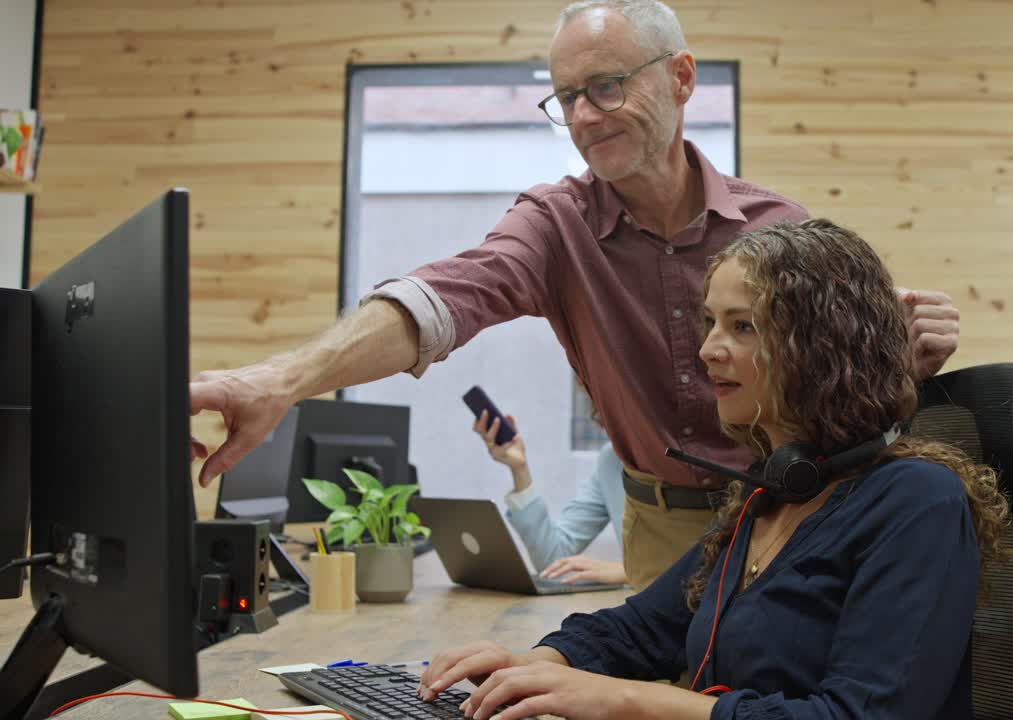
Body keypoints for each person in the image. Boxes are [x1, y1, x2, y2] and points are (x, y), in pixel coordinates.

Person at [188, 0, 961, 591]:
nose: (585, 116)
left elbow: (846, 396)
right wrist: (279, 381)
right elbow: (437, 301)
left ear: (681, 78)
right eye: (566, 98)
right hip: (657, 533)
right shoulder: (554, 225)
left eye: (607, 87)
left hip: (793, 520)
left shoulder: (781, 227)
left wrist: (906, 360)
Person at [415, 219, 1009, 720]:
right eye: (711, 322)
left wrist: (620, 699)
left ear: (821, 346)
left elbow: (859, 715)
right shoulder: (770, 495)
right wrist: (531, 666)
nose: (707, 349)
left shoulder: (917, 500)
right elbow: (643, 628)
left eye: (742, 326)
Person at [473, 409, 626, 585]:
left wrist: (629, 572)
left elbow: (651, 569)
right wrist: (519, 468)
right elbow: (552, 561)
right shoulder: (612, 461)